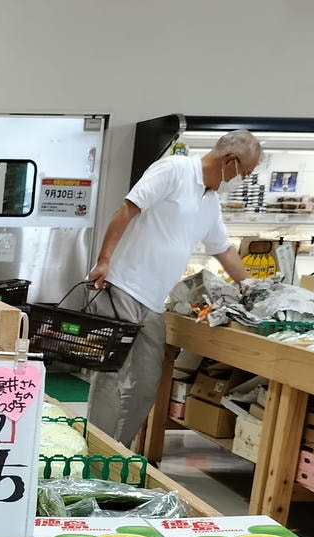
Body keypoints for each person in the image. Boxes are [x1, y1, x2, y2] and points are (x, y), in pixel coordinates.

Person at [84, 129, 259, 444]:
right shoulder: (174, 170)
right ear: (229, 161)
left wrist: (252, 286)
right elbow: (127, 208)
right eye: (243, 173)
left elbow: (224, 249)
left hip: (153, 301)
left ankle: (117, 451)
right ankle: (96, 449)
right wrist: (104, 261)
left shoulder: (210, 201)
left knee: (146, 382)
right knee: (111, 374)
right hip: (122, 285)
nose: (241, 181)